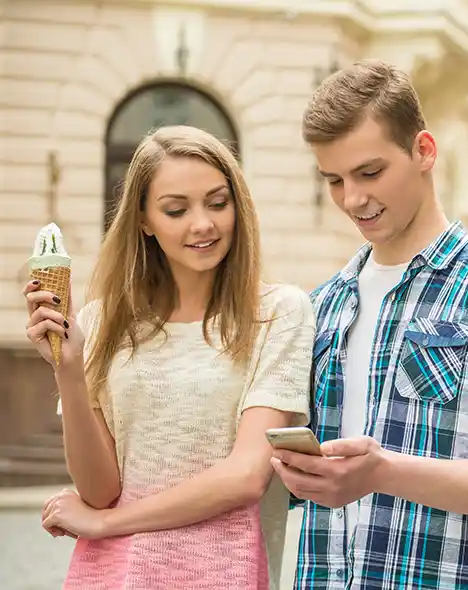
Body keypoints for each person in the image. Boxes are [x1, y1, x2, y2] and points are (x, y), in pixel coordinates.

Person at [268, 60, 468, 590]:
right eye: (334, 180)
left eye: (370, 173)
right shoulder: (322, 305)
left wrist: (384, 472)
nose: (353, 199)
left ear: (424, 151)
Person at [23, 126, 314, 590]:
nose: (203, 224)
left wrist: (105, 524)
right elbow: (101, 491)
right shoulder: (100, 323)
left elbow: (245, 477)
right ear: (143, 220)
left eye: (218, 203)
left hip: (223, 572)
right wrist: (69, 369)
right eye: (176, 209)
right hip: (114, 575)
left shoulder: (278, 313)